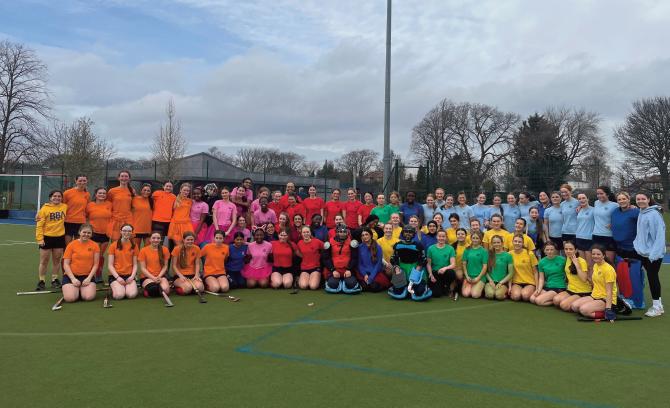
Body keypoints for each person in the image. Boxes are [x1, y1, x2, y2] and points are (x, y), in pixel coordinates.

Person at [634, 192, 666, 317]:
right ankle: (659, 305)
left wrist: (654, 254)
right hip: (644, 253)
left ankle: (657, 307)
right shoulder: (641, 212)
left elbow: (659, 236)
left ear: (648, 200)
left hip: (653, 254)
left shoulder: (654, 214)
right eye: (638, 199)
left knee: (653, 278)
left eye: (643, 198)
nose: (640, 201)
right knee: (652, 277)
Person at [571, 244, 619, 320]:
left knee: (583, 310)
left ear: (603, 255)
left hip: (605, 299)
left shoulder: (608, 269)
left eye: (598, 254)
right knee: (574, 306)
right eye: (593, 254)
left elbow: (609, 291)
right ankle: (593, 309)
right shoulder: (596, 265)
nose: (595, 256)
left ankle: (609, 312)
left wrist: (608, 308)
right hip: (595, 296)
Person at [388, 225, 430, 301]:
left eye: (410, 232)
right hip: (401, 269)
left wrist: (417, 270)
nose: (408, 234)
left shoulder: (418, 245)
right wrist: (397, 268)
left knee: (419, 291)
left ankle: (423, 287)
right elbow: (394, 258)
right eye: (406, 232)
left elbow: (423, 259)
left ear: (413, 234)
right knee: (398, 291)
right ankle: (402, 287)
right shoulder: (397, 245)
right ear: (402, 233)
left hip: (415, 268)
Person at [35, 190, 67, 290]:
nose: (57, 198)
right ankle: (41, 281)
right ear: (50, 198)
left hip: (59, 237)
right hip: (47, 237)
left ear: (62, 198)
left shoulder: (64, 207)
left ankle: (54, 279)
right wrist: (40, 239)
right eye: (54, 196)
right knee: (44, 261)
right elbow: (39, 225)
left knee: (57, 260)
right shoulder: (44, 209)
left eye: (59, 196)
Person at [61, 224, 100, 303]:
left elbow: (96, 264)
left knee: (88, 297)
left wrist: (89, 278)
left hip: (87, 276)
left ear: (91, 234)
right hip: (71, 276)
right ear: (79, 232)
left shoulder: (95, 246)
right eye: (84, 232)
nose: (86, 234)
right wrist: (73, 279)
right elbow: (66, 264)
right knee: (70, 298)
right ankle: (75, 290)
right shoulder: (71, 245)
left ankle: (80, 290)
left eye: (89, 233)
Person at [552, 240, 591, 312]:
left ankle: (582, 302)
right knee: (556, 300)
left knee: (564, 305)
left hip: (582, 291)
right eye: (566, 249)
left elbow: (584, 279)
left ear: (576, 250)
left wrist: (577, 265)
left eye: (571, 249)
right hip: (571, 289)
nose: (568, 251)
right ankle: (575, 302)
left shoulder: (581, 261)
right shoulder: (568, 259)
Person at [322, 224, 360, 294]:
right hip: (334, 271)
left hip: (347, 271)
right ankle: (338, 282)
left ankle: (345, 282)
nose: (342, 234)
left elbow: (354, 258)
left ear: (347, 232)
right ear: (336, 232)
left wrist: (349, 269)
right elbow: (326, 258)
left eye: (344, 232)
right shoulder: (329, 243)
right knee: (332, 284)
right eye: (340, 232)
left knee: (351, 284)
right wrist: (332, 270)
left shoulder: (352, 243)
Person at [86, 187, 112, 282]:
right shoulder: (90, 205)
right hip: (94, 233)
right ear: (96, 194)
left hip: (106, 233)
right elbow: (85, 216)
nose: (102, 195)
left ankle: (98, 274)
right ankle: (90, 274)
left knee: (101, 255)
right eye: (100, 193)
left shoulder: (110, 204)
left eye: (104, 193)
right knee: (93, 254)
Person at [107, 224, 139, 300]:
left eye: (129, 231)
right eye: (124, 231)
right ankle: (117, 287)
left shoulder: (134, 245)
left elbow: (135, 264)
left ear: (132, 233)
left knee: (131, 295)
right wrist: (118, 278)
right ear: (120, 231)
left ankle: (125, 287)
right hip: (116, 275)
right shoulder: (113, 245)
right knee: (119, 295)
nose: (127, 233)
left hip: (129, 276)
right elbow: (110, 265)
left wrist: (132, 277)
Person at [530, 241, 566, 306]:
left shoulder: (562, 260)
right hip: (548, 286)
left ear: (555, 250)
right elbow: (541, 278)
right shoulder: (541, 262)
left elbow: (567, 274)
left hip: (559, 287)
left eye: (552, 249)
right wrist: (539, 289)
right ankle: (554, 299)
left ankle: (557, 300)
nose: (549, 251)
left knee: (538, 301)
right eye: (547, 250)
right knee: (532, 298)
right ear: (544, 251)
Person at [356, 227, 391, 292]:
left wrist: (371, 277)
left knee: (374, 287)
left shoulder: (378, 247)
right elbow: (359, 264)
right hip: (364, 272)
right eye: (363, 235)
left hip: (375, 272)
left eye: (366, 234)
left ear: (371, 235)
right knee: (364, 287)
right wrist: (365, 275)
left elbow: (378, 265)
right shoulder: (359, 247)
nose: (365, 236)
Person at [426, 229, 457, 298]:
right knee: (436, 294)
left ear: (446, 237)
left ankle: (447, 286)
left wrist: (445, 268)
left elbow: (453, 264)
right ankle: (441, 286)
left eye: (443, 236)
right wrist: (430, 274)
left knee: (451, 273)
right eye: (439, 236)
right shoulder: (431, 248)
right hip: (435, 272)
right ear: (436, 237)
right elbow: (428, 264)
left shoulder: (450, 248)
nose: (441, 238)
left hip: (445, 272)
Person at [138, 231, 171, 296]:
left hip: (160, 276)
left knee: (166, 290)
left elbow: (165, 266)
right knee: (154, 288)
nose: (156, 240)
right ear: (150, 239)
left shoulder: (165, 250)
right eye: (153, 238)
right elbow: (143, 268)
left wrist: (159, 276)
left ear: (161, 239)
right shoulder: (143, 250)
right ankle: (147, 290)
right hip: (147, 277)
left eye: (158, 238)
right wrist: (153, 278)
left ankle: (152, 291)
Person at [509, 234, 539, 302]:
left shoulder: (530, 253)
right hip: (516, 282)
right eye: (515, 241)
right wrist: (510, 287)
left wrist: (537, 288)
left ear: (523, 243)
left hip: (530, 282)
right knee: (516, 296)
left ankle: (526, 292)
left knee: (525, 295)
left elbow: (535, 272)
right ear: (512, 242)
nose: (517, 243)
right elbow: (509, 273)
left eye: (519, 242)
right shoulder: (509, 254)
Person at [107, 170, 135, 241]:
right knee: (116, 241)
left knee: (128, 242)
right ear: (118, 178)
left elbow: (134, 205)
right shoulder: (112, 191)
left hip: (128, 219)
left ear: (129, 179)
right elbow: (108, 205)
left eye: (126, 176)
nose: (124, 178)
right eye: (122, 176)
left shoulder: (132, 191)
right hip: (116, 219)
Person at [484, 235, 513, 300]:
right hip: (490, 281)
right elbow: (484, 270)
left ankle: (504, 293)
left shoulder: (508, 255)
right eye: (494, 243)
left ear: (502, 243)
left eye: (498, 242)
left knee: (499, 296)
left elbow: (511, 273)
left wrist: (501, 282)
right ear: (492, 244)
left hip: (503, 283)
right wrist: (490, 281)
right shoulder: (488, 254)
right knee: (490, 295)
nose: (496, 244)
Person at [611, 191, 639, 259]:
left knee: (633, 266)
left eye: (624, 199)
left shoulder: (636, 211)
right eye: (619, 199)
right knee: (621, 265)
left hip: (632, 248)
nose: (621, 201)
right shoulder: (615, 211)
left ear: (628, 199)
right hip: (618, 247)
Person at [62, 175, 89, 244]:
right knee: (67, 245)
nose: (82, 182)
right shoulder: (67, 193)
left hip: (81, 222)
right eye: (80, 181)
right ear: (76, 181)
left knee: (79, 244)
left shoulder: (87, 194)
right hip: (68, 222)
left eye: (84, 181)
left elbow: (87, 208)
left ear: (87, 181)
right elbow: (60, 206)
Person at [461, 231, 487, 298]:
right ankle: (471, 287)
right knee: (465, 294)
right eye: (473, 238)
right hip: (469, 277)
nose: (475, 240)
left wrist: (478, 278)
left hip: (479, 277)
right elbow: (464, 264)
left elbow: (485, 267)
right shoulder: (467, 250)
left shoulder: (484, 251)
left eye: (477, 238)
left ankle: (480, 288)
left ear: (480, 239)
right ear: (471, 239)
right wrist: (467, 276)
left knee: (475, 295)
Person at [296, 226, 323, 290]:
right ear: (301, 234)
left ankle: (317, 279)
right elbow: (297, 252)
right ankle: (299, 279)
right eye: (304, 232)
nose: (306, 234)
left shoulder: (317, 241)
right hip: (304, 268)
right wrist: (303, 256)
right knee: (303, 286)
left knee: (313, 286)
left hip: (315, 268)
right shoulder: (299, 243)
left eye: (307, 232)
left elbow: (325, 248)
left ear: (310, 233)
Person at [575, 192, 594, 267]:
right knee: (583, 264)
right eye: (579, 199)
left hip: (589, 238)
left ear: (587, 199)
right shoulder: (578, 210)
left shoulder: (593, 210)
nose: (582, 200)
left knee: (590, 264)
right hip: (579, 238)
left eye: (583, 198)